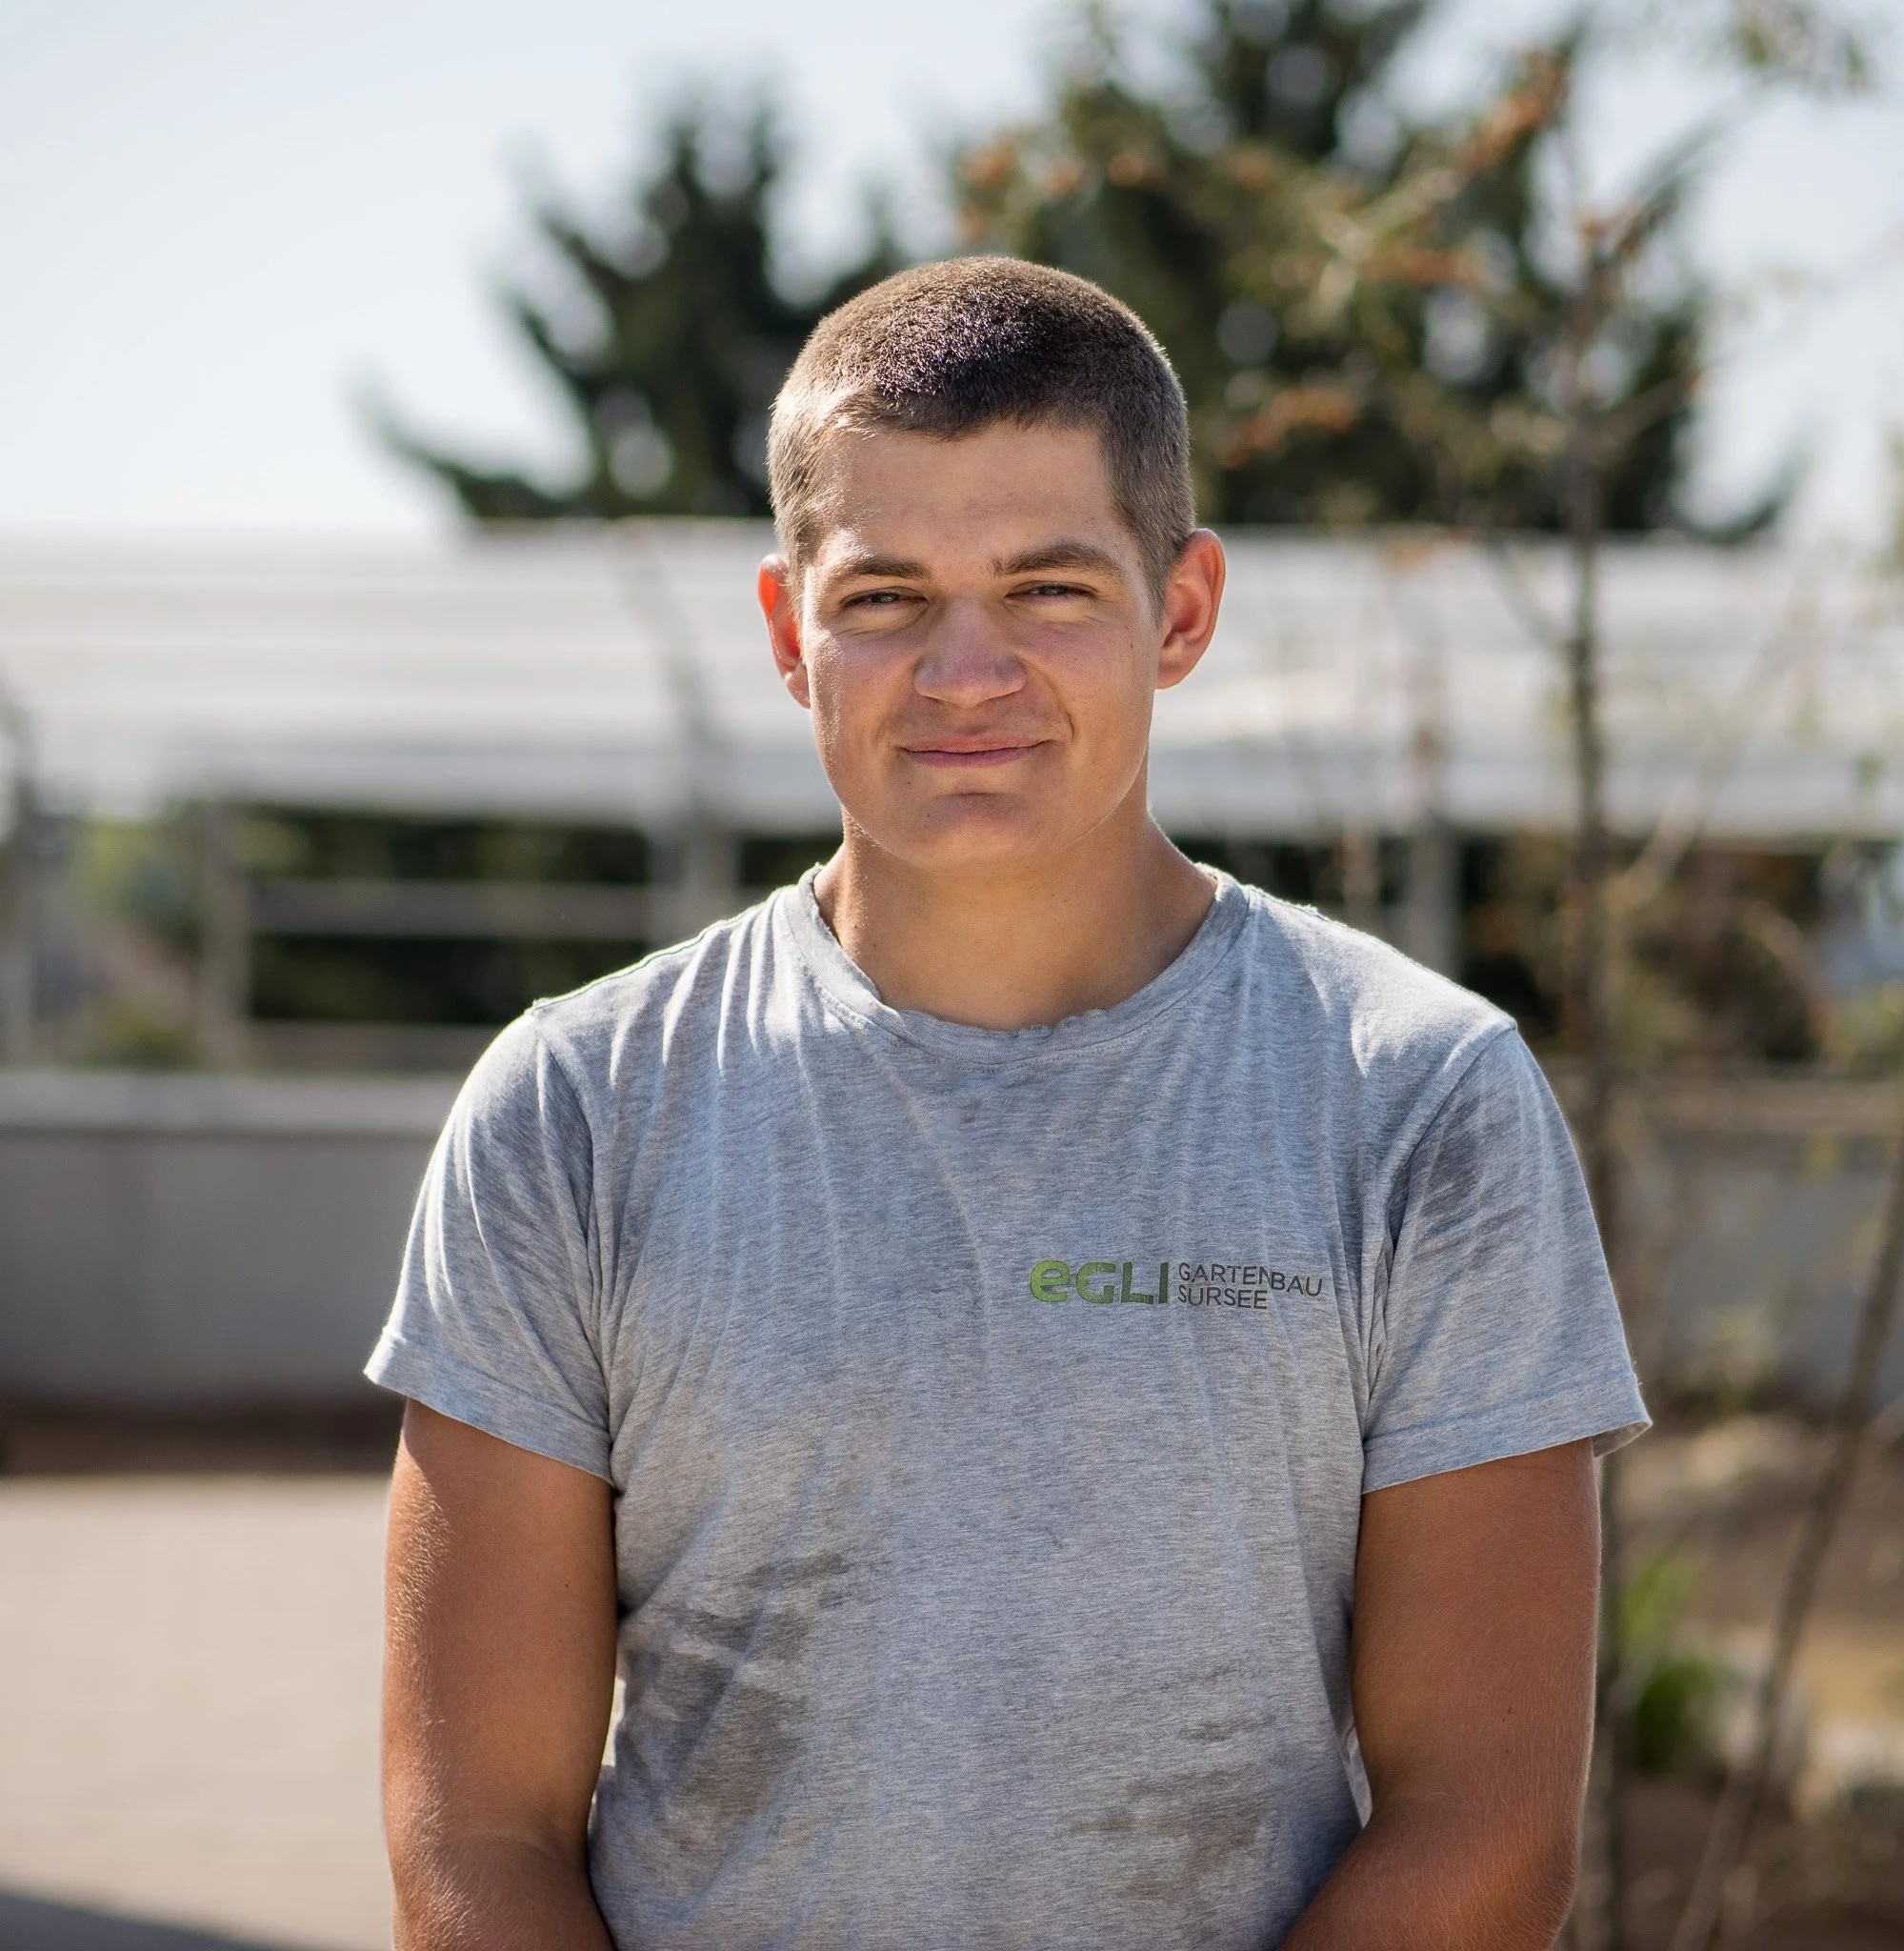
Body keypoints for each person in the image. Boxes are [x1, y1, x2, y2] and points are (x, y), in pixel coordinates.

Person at [368, 256, 1648, 1951]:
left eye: (1049, 588)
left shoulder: (1418, 1103)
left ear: (1181, 611)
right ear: (789, 631)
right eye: (885, 596)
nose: (965, 671)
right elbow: (475, 1843)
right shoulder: (576, 1112)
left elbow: (1482, 1833)